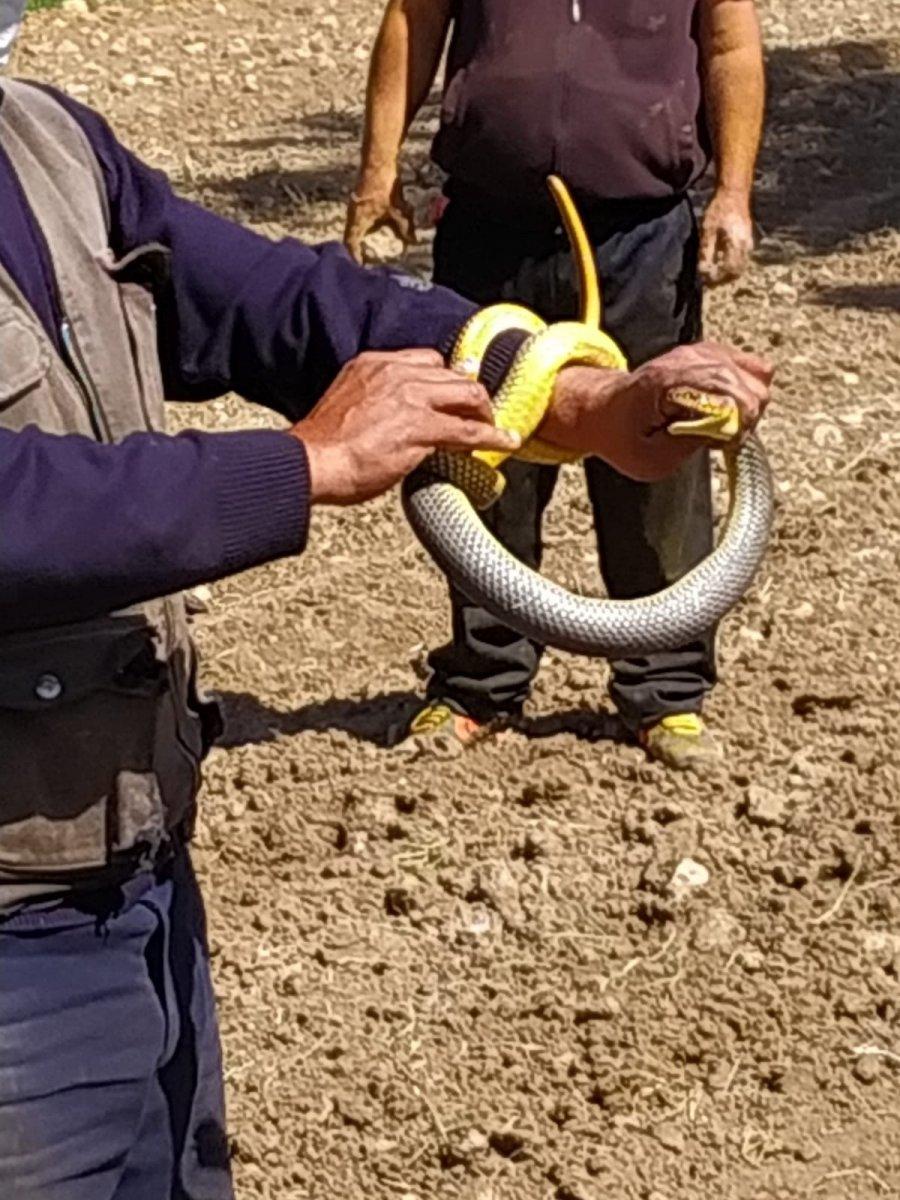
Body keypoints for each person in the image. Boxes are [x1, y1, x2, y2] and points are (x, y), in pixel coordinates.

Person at [0, 26, 772, 1200]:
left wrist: (578, 397)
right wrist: (300, 466)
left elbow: (274, 300)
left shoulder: (45, 141)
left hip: (134, 878)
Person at [346, 0, 765, 769]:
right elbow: (414, 20)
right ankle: (481, 683)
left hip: (641, 235)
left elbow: (730, 45)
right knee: (481, 447)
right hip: (489, 228)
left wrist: (733, 195)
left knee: (658, 451)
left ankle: (665, 691)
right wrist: (378, 174)